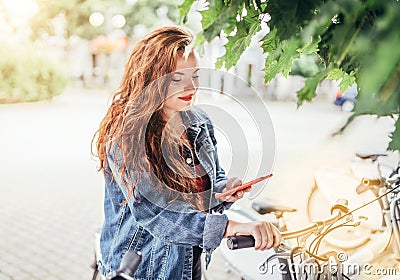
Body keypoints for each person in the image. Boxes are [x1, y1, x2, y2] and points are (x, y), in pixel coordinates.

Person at [93, 26, 281, 279]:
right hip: (141, 268)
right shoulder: (126, 134)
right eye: (176, 78)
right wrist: (233, 227)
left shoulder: (199, 122)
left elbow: (204, 190)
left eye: (194, 75)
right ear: (150, 78)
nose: (190, 86)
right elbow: (158, 214)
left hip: (185, 263)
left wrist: (224, 191)